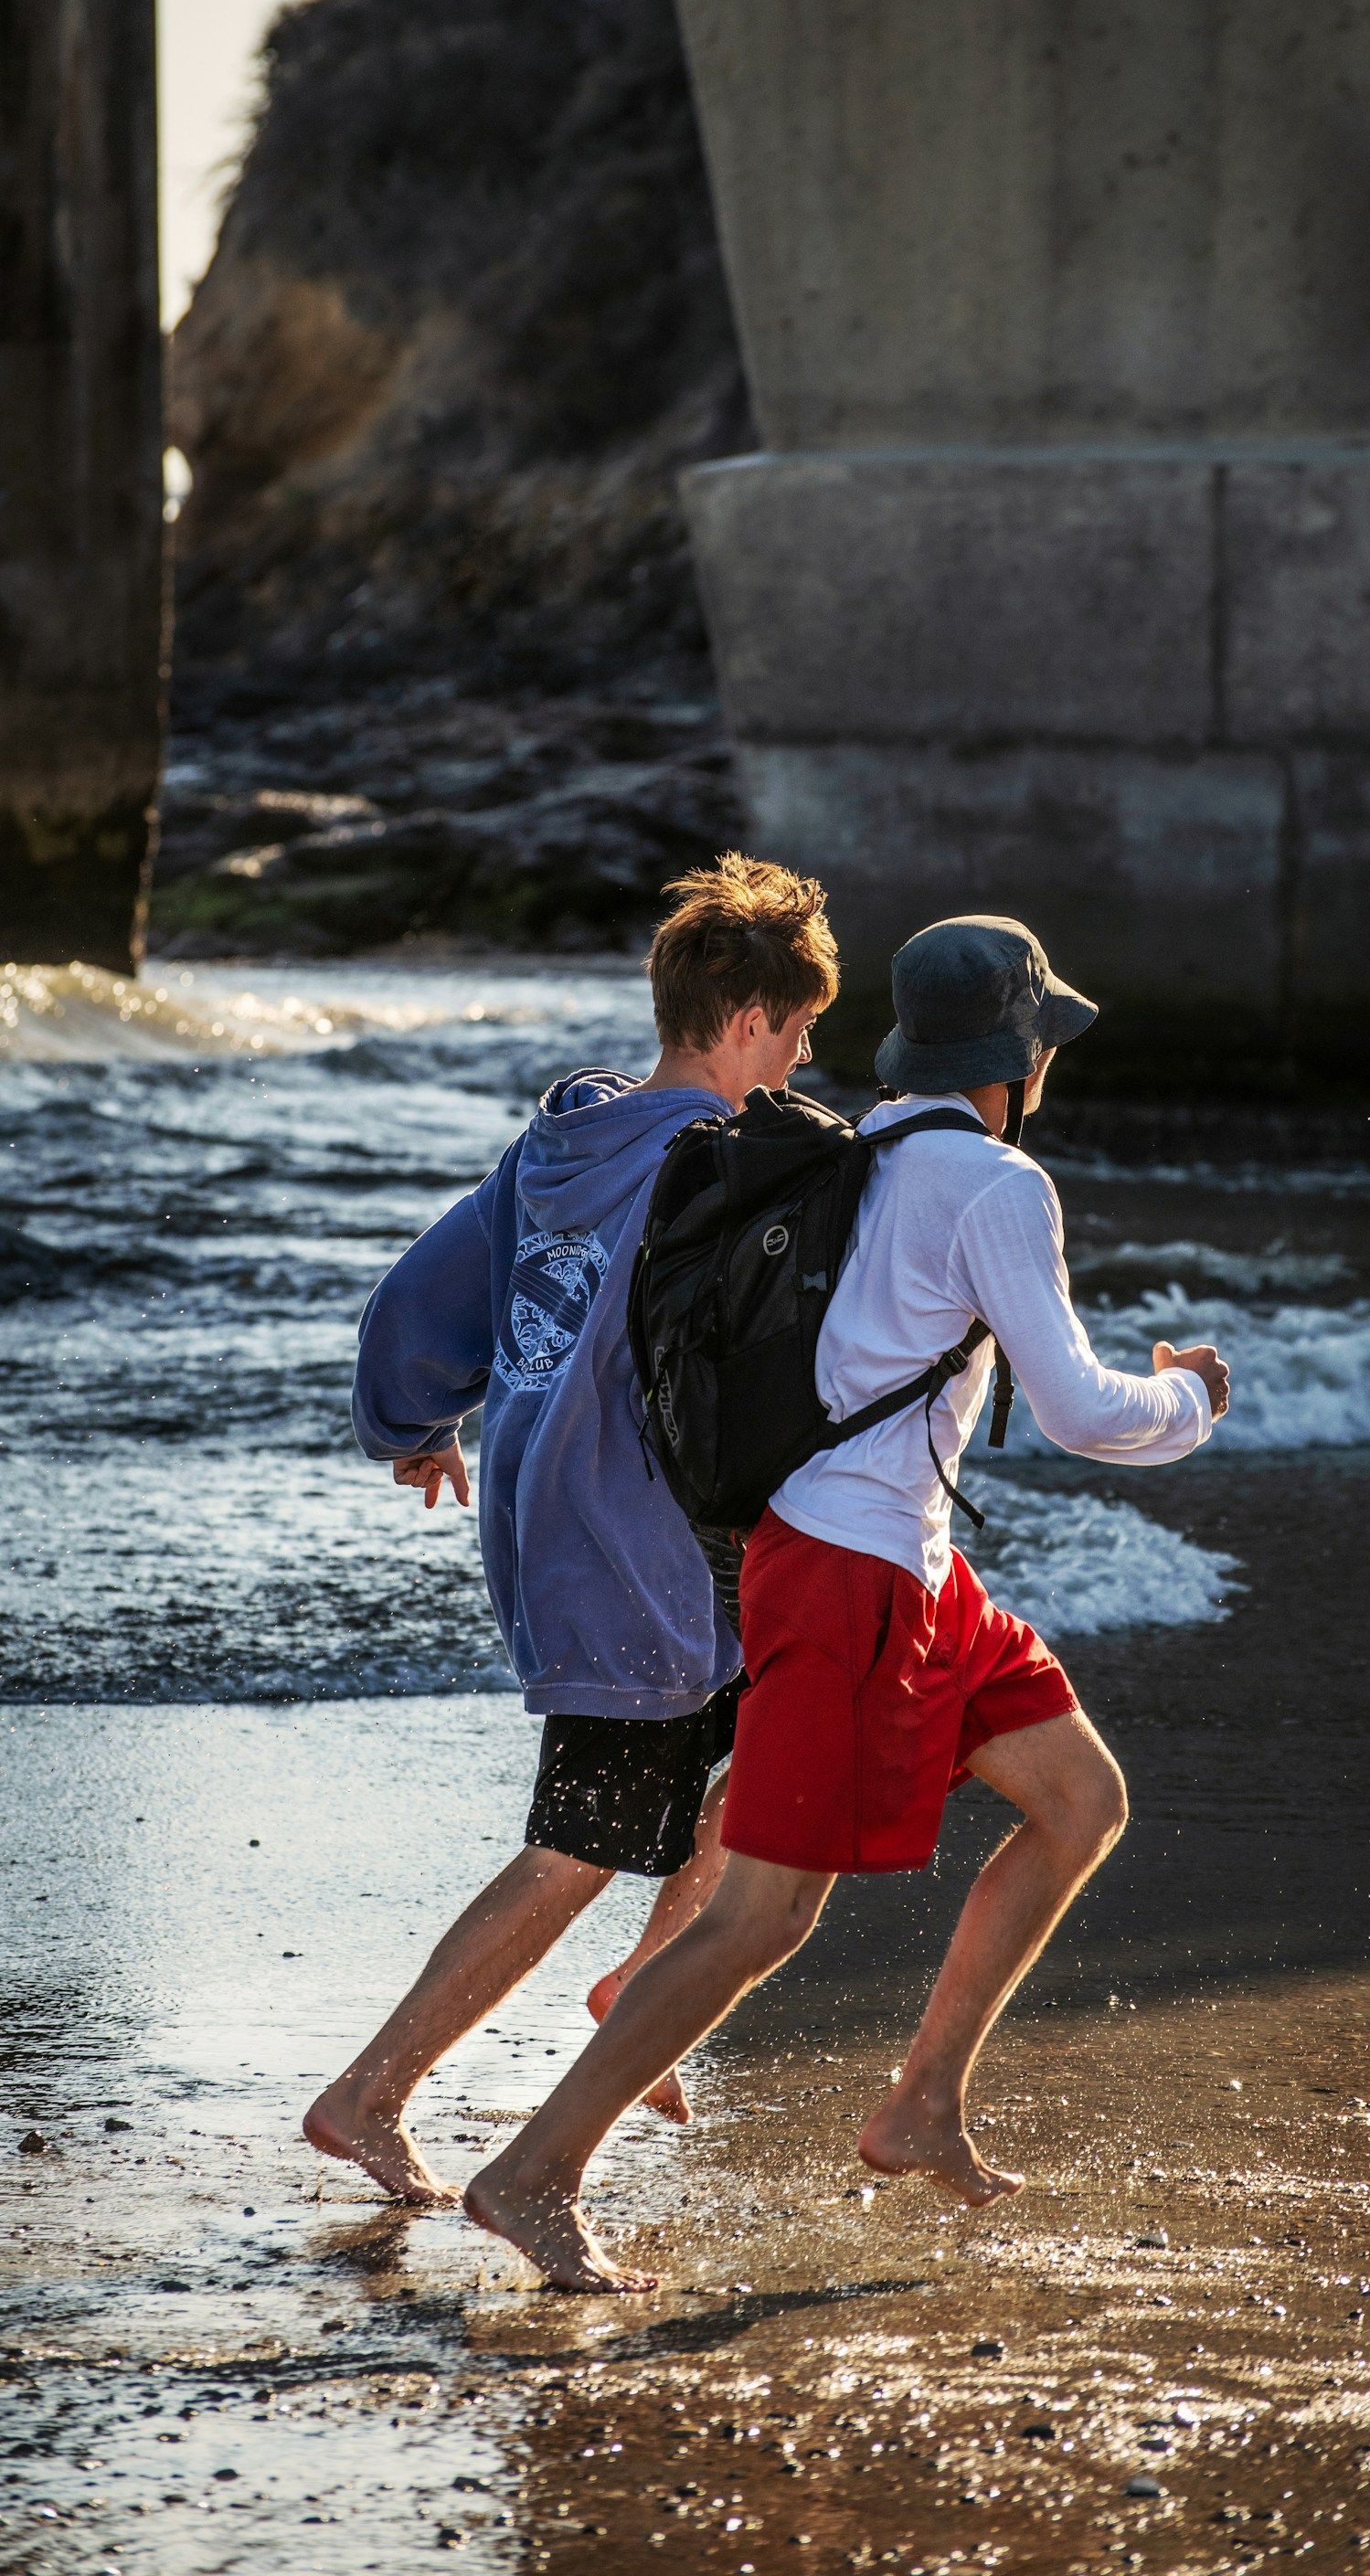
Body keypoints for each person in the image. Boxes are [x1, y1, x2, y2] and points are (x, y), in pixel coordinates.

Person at [459, 915, 1230, 2288]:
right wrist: (1193, 1396)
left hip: (908, 1564)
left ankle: (921, 2105)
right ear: (1021, 1052)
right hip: (851, 1576)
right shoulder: (996, 1186)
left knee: (1080, 1800)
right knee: (764, 1916)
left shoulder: (857, 1144)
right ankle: (534, 2171)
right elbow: (1081, 1412)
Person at [302, 854, 840, 2203]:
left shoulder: (557, 1144)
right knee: (583, 1841)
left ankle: (644, 1987)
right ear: (742, 1026)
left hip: (601, 1517)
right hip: (623, 1542)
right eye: (797, 1031)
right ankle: (369, 2095)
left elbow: (419, 1301)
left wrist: (409, 1424)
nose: (802, 1058)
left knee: (776, 1743)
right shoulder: (721, 1170)